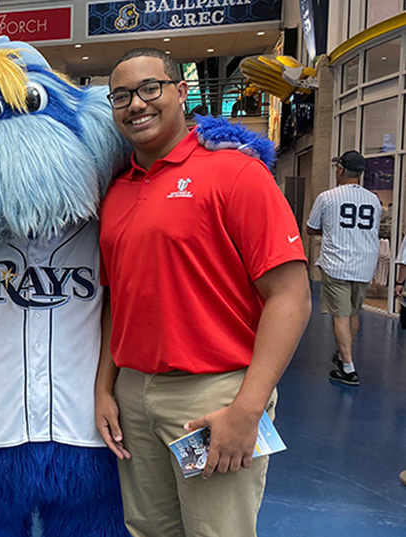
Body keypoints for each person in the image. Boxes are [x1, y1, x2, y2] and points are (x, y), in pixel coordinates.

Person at [95, 47, 311, 537]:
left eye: (150, 88)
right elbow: (116, 301)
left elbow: (291, 297)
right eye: (122, 95)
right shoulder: (117, 190)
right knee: (149, 528)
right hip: (134, 394)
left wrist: (247, 408)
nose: (136, 104)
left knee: (217, 530)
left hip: (213, 393)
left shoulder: (234, 173)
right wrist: (104, 388)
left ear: (181, 92)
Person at [306, 150, 380, 387]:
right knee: (353, 312)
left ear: (340, 170)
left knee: (340, 314)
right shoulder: (374, 200)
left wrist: (329, 231)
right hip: (365, 263)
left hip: (337, 262)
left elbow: (311, 228)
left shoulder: (327, 197)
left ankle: (348, 369)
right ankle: (344, 354)